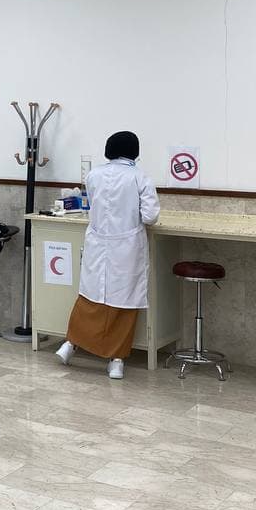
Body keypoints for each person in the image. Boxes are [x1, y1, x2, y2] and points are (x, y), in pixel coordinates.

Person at [57, 131, 160, 379]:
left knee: (91, 295)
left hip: (97, 243)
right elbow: (150, 216)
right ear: (135, 151)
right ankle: (116, 361)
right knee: (123, 302)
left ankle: (70, 344)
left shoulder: (93, 175)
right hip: (126, 247)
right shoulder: (139, 177)